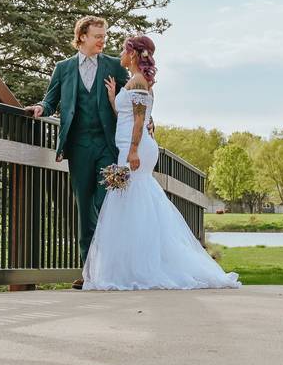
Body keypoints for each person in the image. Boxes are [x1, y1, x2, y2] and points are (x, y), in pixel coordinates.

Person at [82, 35, 240, 291]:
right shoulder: (134, 83)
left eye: (124, 50)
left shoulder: (140, 83)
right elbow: (126, 115)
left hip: (136, 148)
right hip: (130, 146)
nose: (121, 53)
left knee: (134, 200)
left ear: (132, 54)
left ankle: (144, 266)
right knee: (133, 201)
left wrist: (133, 151)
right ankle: (134, 264)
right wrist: (113, 98)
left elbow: (138, 122)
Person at [24, 16, 127, 289]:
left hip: (107, 145)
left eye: (104, 35)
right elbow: (51, 98)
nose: (102, 40)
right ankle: (89, 271)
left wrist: (145, 119)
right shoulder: (64, 68)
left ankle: (110, 267)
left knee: (104, 204)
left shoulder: (114, 66)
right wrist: (40, 108)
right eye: (97, 36)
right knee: (84, 208)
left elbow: (134, 97)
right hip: (79, 146)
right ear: (82, 36)